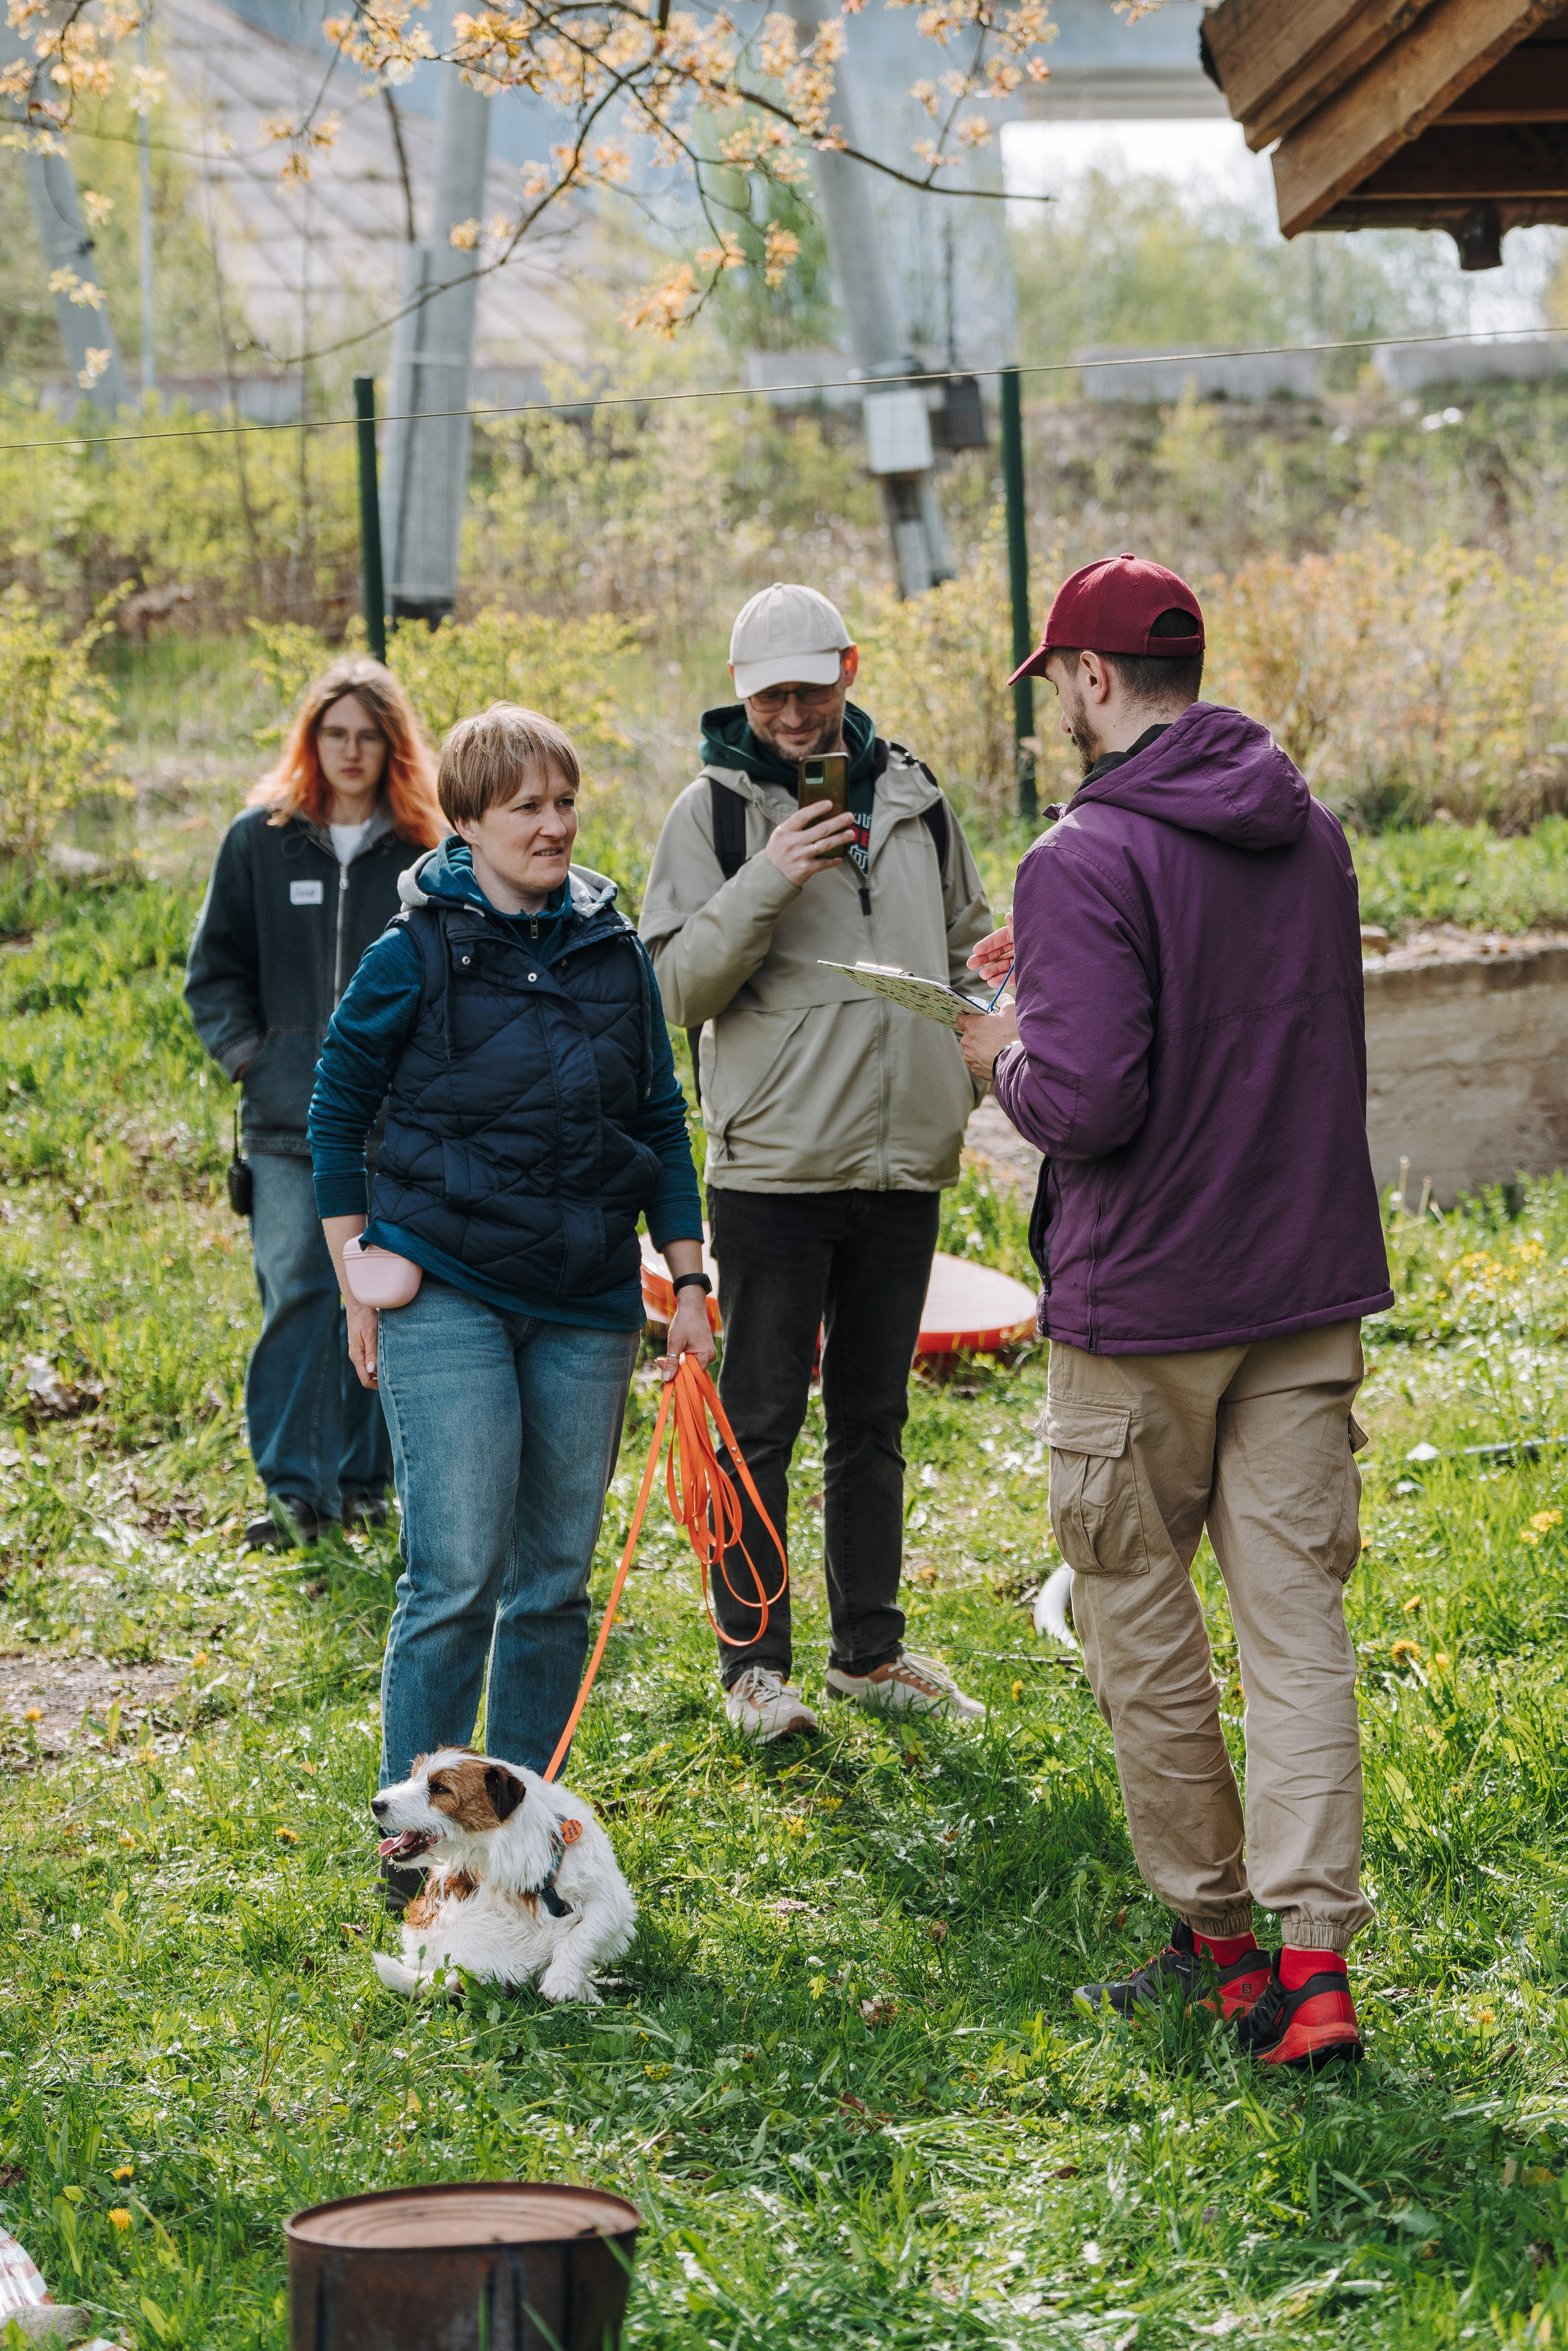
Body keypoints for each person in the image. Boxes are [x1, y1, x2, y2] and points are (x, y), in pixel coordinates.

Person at [958, 553, 1392, 2070]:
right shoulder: (1310, 833)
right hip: (1301, 1280)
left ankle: (1213, 1943)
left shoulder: (1079, 857)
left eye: (1055, 685)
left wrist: (999, 1046)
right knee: (1294, 1628)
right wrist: (1061, 986)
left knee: (1137, 1611)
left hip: (1145, 1303)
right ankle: (1313, 1970)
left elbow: (1084, 1099)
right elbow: (1237, 1011)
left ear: (1086, 680)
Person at [307, 703, 713, 1901]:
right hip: (449, 1286)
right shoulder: (418, 948)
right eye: (524, 806)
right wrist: (352, 1277)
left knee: (551, 1581)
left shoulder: (612, 946)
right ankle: (414, 1846)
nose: (552, 823)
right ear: (470, 821)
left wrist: (686, 1275)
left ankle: (524, 1851)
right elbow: (336, 1110)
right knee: (456, 1573)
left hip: (588, 1300)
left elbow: (659, 1121)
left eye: (563, 801)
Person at [639, 581, 993, 1745]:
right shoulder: (714, 815)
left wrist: (993, 1004)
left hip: (903, 1161)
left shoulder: (918, 795)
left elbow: (959, 944)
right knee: (760, 1421)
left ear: (849, 668)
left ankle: (869, 1651)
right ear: (744, 697)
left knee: (875, 1414)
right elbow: (670, 991)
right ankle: (754, 1668)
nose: (793, 715)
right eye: (770, 696)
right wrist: (769, 877)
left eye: (811, 688)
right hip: (777, 1167)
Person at [185, 658, 444, 1551]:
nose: (351, 750)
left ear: (392, 746)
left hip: (390, 1127)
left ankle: (367, 1487)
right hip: (287, 1125)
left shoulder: (423, 854)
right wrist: (252, 1057)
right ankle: (295, 1488)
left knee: (380, 1297)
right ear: (312, 739)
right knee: (299, 1289)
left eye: (369, 735)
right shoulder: (260, 840)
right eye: (335, 733)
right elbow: (213, 972)